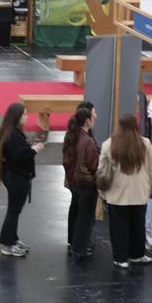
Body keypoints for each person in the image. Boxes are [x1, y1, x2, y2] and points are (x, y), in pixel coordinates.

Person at [99, 114, 152, 268]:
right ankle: (137, 255)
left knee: (118, 227)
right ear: (135, 126)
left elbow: (101, 170)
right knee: (138, 225)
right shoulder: (145, 143)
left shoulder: (108, 144)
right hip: (140, 193)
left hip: (116, 194)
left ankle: (120, 258)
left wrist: (102, 193)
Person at [0, 103, 43, 257]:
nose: (27, 116)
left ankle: (12, 238)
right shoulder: (13, 136)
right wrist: (34, 150)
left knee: (15, 210)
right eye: (24, 114)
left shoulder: (12, 133)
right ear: (16, 117)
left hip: (15, 177)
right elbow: (20, 157)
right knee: (13, 211)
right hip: (16, 178)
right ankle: (7, 243)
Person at [62, 106, 100, 261]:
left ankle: (73, 242)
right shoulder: (88, 142)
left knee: (75, 212)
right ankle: (80, 248)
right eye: (93, 115)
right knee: (85, 217)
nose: (96, 117)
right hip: (86, 185)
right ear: (87, 121)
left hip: (74, 183)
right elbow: (93, 166)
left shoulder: (71, 136)